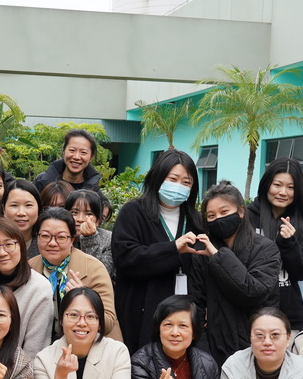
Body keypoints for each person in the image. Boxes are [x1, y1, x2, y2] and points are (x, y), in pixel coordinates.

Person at [112, 150, 203, 350]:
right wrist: (173, 249)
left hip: (183, 316)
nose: (178, 187)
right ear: (158, 177)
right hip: (141, 312)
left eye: (186, 182)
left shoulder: (195, 220)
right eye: (173, 179)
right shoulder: (133, 212)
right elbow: (125, 257)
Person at [192, 181, 281, 361]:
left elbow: (252, 292)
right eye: (211, 215)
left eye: (224, 212)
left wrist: (218, 256)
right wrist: (201, 346)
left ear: (241, 211)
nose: (218, 219)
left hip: (256, 345)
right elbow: (196, 304)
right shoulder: (201, 252)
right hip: (213, 348)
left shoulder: (265, 248)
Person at [247, 158, 303, 330]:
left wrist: (290, 244)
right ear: (266, 184)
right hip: (248, 314)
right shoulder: (247, 218)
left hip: (289, 317)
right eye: (277, 185)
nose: (283, 192)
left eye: (291, 187)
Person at [28, 208, 121, 342]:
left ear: (72, 240)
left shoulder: (94, 268)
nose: (52, 243)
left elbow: (108, 323)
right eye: (45, 236)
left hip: (93, 345)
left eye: (61, 237)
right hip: (45, 346)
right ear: (37, 237)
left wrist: (85, 299)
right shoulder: (30, 268)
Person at [0, 219, 54, 354]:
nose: (2, 253)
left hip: (18, 365)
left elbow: (34, 350)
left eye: (9, 245)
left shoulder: (40, 288)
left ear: (21, 246)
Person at [34, 128, 102, 193]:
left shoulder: (94, 192)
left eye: (83, 152)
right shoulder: (42, 182)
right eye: (72, 150)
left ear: (91, 157)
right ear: (63, 151)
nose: (76, 157)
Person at [66, 189, 114, 279]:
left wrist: (90, 239)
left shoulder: (109, 239)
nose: (80, 219)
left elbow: (101, 275)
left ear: (98, 221)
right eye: (74, 212)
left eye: (88, 214)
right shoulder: (57, 236)